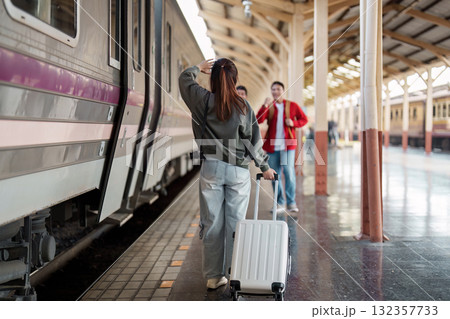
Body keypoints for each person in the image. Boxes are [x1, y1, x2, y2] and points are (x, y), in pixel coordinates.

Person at [179, 58, 276, 290]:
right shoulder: (243, 106)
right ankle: (237, 274)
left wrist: (197, 68)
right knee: (237, 223)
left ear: (212, 78)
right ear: (236, 80)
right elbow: (253, 141)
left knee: (212, 223)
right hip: (238, 171)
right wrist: (264, 167)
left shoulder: (201, 99)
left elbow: (184, 79)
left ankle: (214, 277)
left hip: (211, 167)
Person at [256, 81, 308, 213]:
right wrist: (265, 105)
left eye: (278, 89)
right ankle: (279, 202)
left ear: (283, 91)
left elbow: (304, 119)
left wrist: (293, 123)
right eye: (273, 89)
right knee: (274, 174)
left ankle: (291, 203)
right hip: (272, 146)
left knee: (289, 173)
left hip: (288, 145)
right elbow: (259, 120)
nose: (275, 92)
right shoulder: (269, 107)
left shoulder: (292, 106)